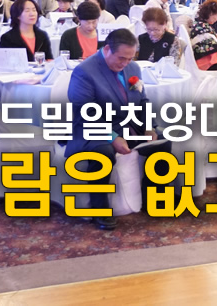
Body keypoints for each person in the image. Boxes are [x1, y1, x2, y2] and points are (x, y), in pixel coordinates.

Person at [67, 28, 168, 230]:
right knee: (102, 152)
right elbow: (85, 112)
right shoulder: (85, 72)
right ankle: (100, 208)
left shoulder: (133, 68)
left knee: (163, 140)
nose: (125, 64)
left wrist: (149, 126)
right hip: (92, 126)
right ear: (107, 50)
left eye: (130, 58)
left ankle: (153, 197)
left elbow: (142, 101)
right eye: (121, 58)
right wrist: (112, 136)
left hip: (127, 122)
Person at [190, 0, 217, 71]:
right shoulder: (202, 30)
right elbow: (216, 52)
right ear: (211, 13)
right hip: (205, 63)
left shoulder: (200, 24)